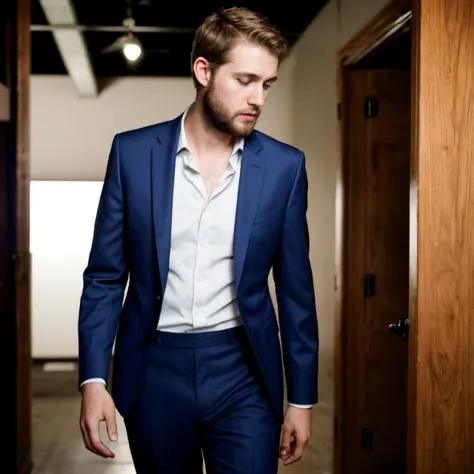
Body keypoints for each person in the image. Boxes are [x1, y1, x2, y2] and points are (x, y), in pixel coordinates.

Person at [77, 6, 319, 474]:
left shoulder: (285, 168)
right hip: (153, 369)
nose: (258, 98)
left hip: (243, 371)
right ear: (203, 71)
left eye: (266, 84)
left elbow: (296, 293)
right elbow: (105, 277)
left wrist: (302, 399)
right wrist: (92, 379)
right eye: (245, 80)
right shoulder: (131, 155)